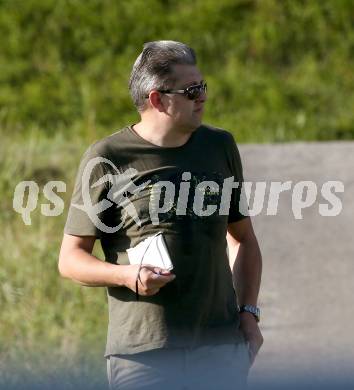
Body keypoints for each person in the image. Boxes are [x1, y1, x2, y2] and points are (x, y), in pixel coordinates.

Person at [59, 40, 263, 390]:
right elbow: (70, 259)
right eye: (192, 90)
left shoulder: (219, 147)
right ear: (157, 99)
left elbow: (242, 238)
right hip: (144, 353)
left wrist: (248, 313)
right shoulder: (107, 157)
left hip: (219, 347)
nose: (203, 97)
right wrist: (126, 275)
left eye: (203, 87)